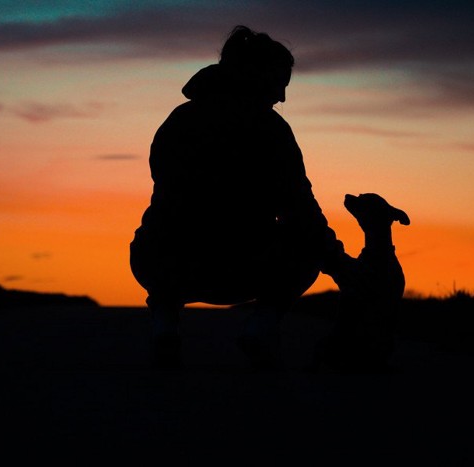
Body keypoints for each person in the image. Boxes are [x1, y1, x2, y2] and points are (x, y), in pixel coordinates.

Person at [130, 25, 348, 369]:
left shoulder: (178, 121)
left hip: (167, 260)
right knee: (305, 246)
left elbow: (166, 193)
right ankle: (261, 326)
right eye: (279, 84)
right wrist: (338, 263)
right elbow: (300, 208)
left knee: (150, 236)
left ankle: (164, 321)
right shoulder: (271, 131)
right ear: (257, 77)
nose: (282, 98)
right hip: (243, 264)